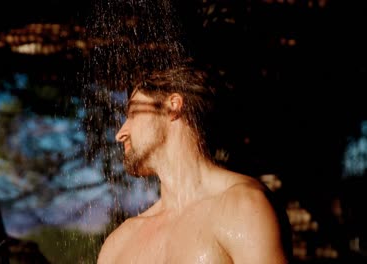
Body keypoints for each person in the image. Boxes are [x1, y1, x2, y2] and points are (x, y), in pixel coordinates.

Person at [97, 66, 293, 264]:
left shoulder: (244, 208)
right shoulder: (119, 243)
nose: (120, 133)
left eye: (132, 113)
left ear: (172, 107)